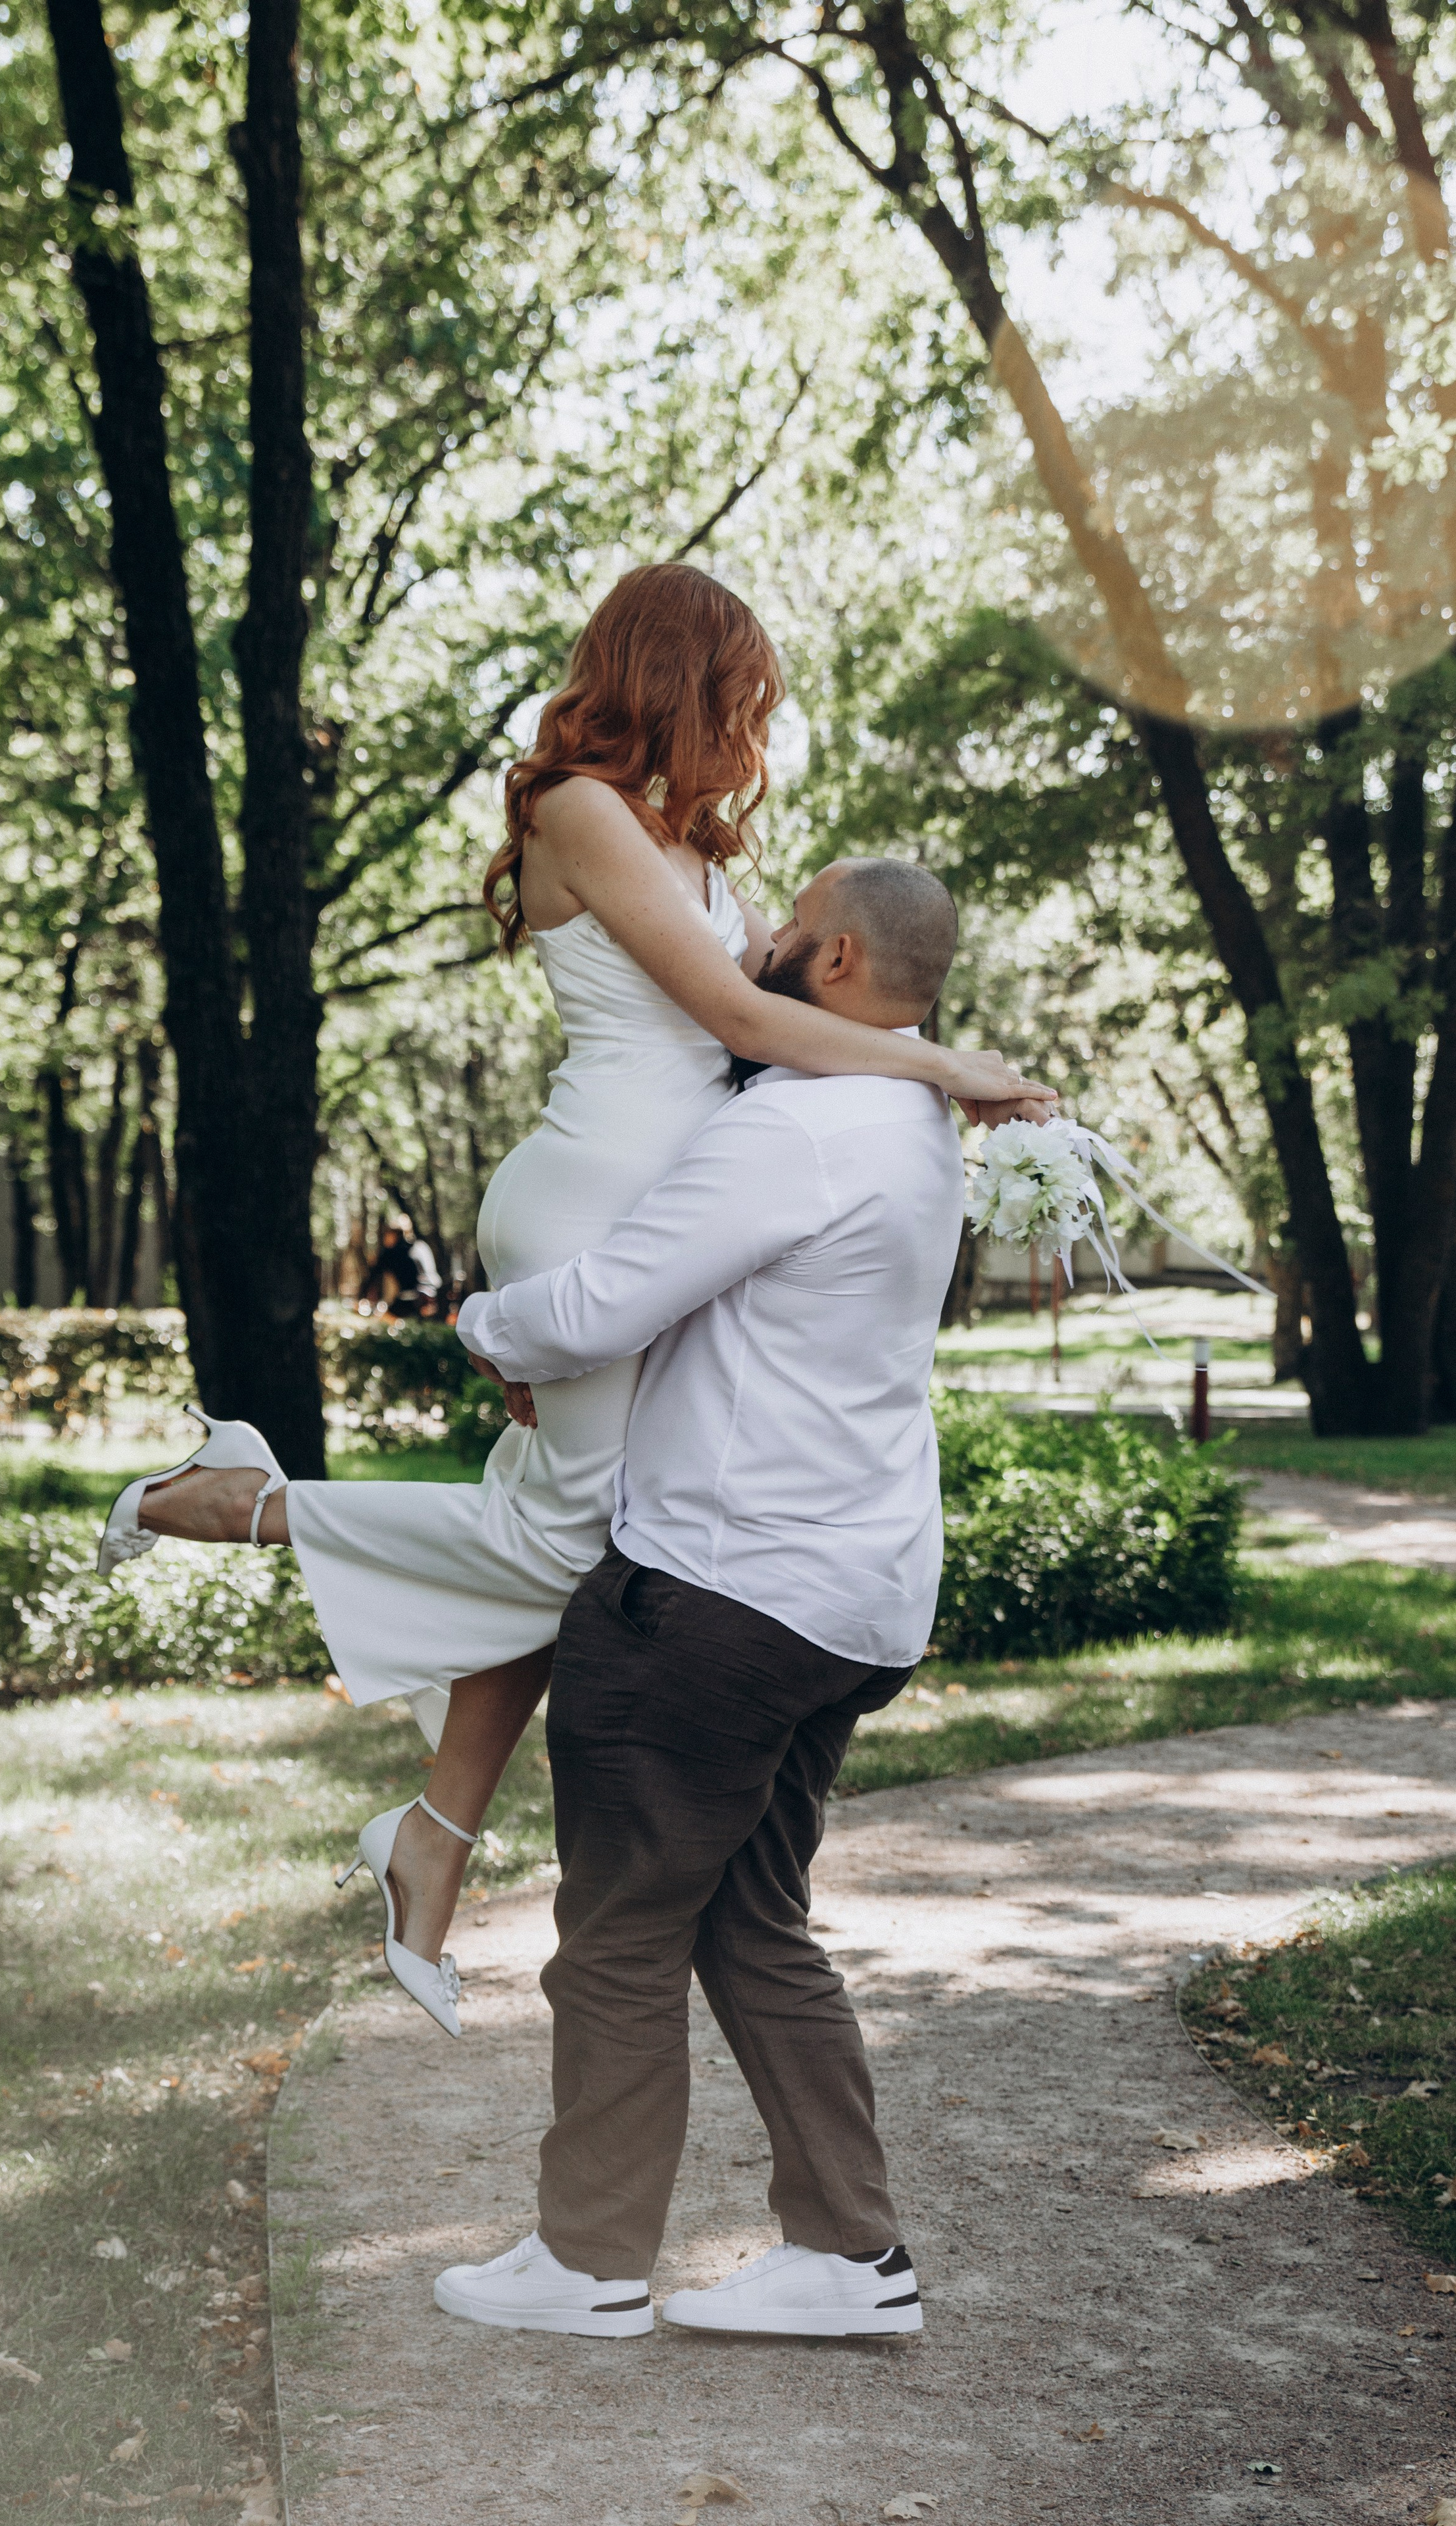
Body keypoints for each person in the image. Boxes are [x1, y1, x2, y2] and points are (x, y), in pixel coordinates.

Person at [95, 563, 1049, 2037]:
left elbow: (790, 1016)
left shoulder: (684, 839)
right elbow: (738, 1020)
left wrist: (937, 1071)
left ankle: (430, 1841)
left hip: (672, 1211)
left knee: (593, 1534)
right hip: (595, 1197)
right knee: (578, 1530)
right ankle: (251, 1499)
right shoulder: (576, 810)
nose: (753, 721)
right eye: (740, 691)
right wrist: (941, 1064)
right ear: (676, 675)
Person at [433, 856, 975, 2339]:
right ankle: (850, 2259)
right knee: (751, 1915)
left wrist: (480, 1319)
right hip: (852, 1606)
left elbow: (611, 1299)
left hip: (717, 1600)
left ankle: (588, 2263)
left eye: (783, 931)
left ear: (841, 956)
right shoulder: (915, 1123)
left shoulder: (801, 1123)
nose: (756, 946)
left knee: (614, 1929)